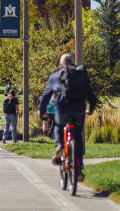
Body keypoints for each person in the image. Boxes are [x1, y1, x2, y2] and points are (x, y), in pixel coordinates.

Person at [38, 54, 97, 182]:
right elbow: (91, 95)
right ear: (73, 63)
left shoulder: (55, 76)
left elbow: (46, 97)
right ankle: (79, 169)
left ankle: (59, 146)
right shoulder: (80, 75)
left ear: (61, 64)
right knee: (77, 137)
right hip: (79, 111)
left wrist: (42, 112)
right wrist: (91, 109)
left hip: (62, 110)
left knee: (58, 126)